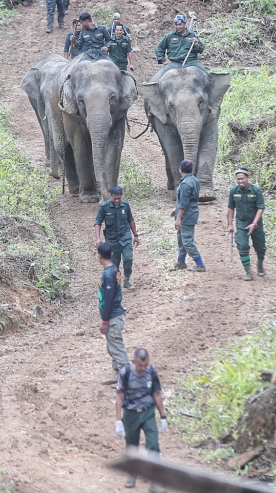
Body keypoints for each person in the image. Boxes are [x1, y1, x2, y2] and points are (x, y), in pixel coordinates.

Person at [115, 348, 168, 492]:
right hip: (131, 414)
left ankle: (155, 481)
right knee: (132, 446)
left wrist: (163, 416)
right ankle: (132, 475)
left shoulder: (151, 372)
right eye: (140, 366)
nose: (143, 368)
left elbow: (156, 394)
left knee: (153, 445)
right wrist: (118, 420)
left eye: (145, 365)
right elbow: (119, 397)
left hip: (148, 412)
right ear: (133, 362)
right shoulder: (125, 373)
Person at [95, 185, 140, 290]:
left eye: (119, 198)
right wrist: (98, 238)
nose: (117, 200)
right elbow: (98, 223)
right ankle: (116, 282)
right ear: (110, 196)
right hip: (112, 240)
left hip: (125, 237)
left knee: (128, 258)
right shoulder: (104, 207)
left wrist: (135, 235)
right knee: (114, 264)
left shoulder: (125, 205)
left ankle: (127, 281)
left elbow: (131, 220)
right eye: (115, 198)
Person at [226, 167, 266, 281]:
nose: (240, 181)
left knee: (260, 247)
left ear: (248, 178)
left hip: (256, 223)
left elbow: (260, 208)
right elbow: (230, 208)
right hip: (241, 222)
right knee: (242, 245)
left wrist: (254, 223)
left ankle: (260, 264)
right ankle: (248, 271)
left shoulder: (256, 191)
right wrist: (230, 224)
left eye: (242, 178)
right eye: (238, 179)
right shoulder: (234, 191)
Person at [98, 242, 129, 380]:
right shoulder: (114, 269)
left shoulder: (109, 274)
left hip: (113, 316)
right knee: (112, 346)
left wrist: (104, 320)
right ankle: (117, 374)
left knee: (116, 347)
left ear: (99, 256)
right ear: (111, 254)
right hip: (116, 314)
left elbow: (109, 298)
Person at [172, 159, 204, 271]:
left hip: (187, 216)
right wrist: (175, 209)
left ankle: (200, 263)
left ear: (180, 170)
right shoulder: (194, 180)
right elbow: (187, 200)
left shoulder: (185, 184)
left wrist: (178, 218)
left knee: (187, 241)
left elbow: (184, 204)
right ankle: (181, 262)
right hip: (190, 213)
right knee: (181, 239)